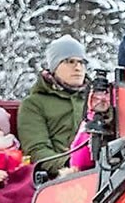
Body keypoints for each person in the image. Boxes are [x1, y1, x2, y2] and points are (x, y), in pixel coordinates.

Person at [17, 34, 89, 179]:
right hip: (58, 177)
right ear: (55, 67)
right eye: (70, 61)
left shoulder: (95, 99)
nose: (78, 67)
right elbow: (37, 150)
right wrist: (70, 164)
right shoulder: (34, 104)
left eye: (82, 62)